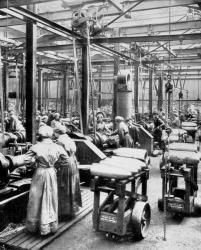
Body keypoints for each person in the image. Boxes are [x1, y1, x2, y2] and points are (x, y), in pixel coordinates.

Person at [24, 126, 69, 235]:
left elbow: (26, 160)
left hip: (39, 172)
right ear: (50, 135)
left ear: (40, 135)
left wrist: (34, 164)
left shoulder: (36, 147)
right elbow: (66, 160)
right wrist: (55, 165)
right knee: (50, 198)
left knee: (36, 198)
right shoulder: (57, 147)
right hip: (51, 172)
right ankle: (49, 226)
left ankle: (34, 226)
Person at [53, 125, 82, 220]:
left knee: (64, 186)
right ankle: (72, 210)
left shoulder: (59, 141)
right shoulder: (68, 138)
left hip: (65, 164)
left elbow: (58, 155)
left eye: (54, 133)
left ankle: (64, 213)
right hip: (72, 161)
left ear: (57, 132)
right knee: (72, 185)